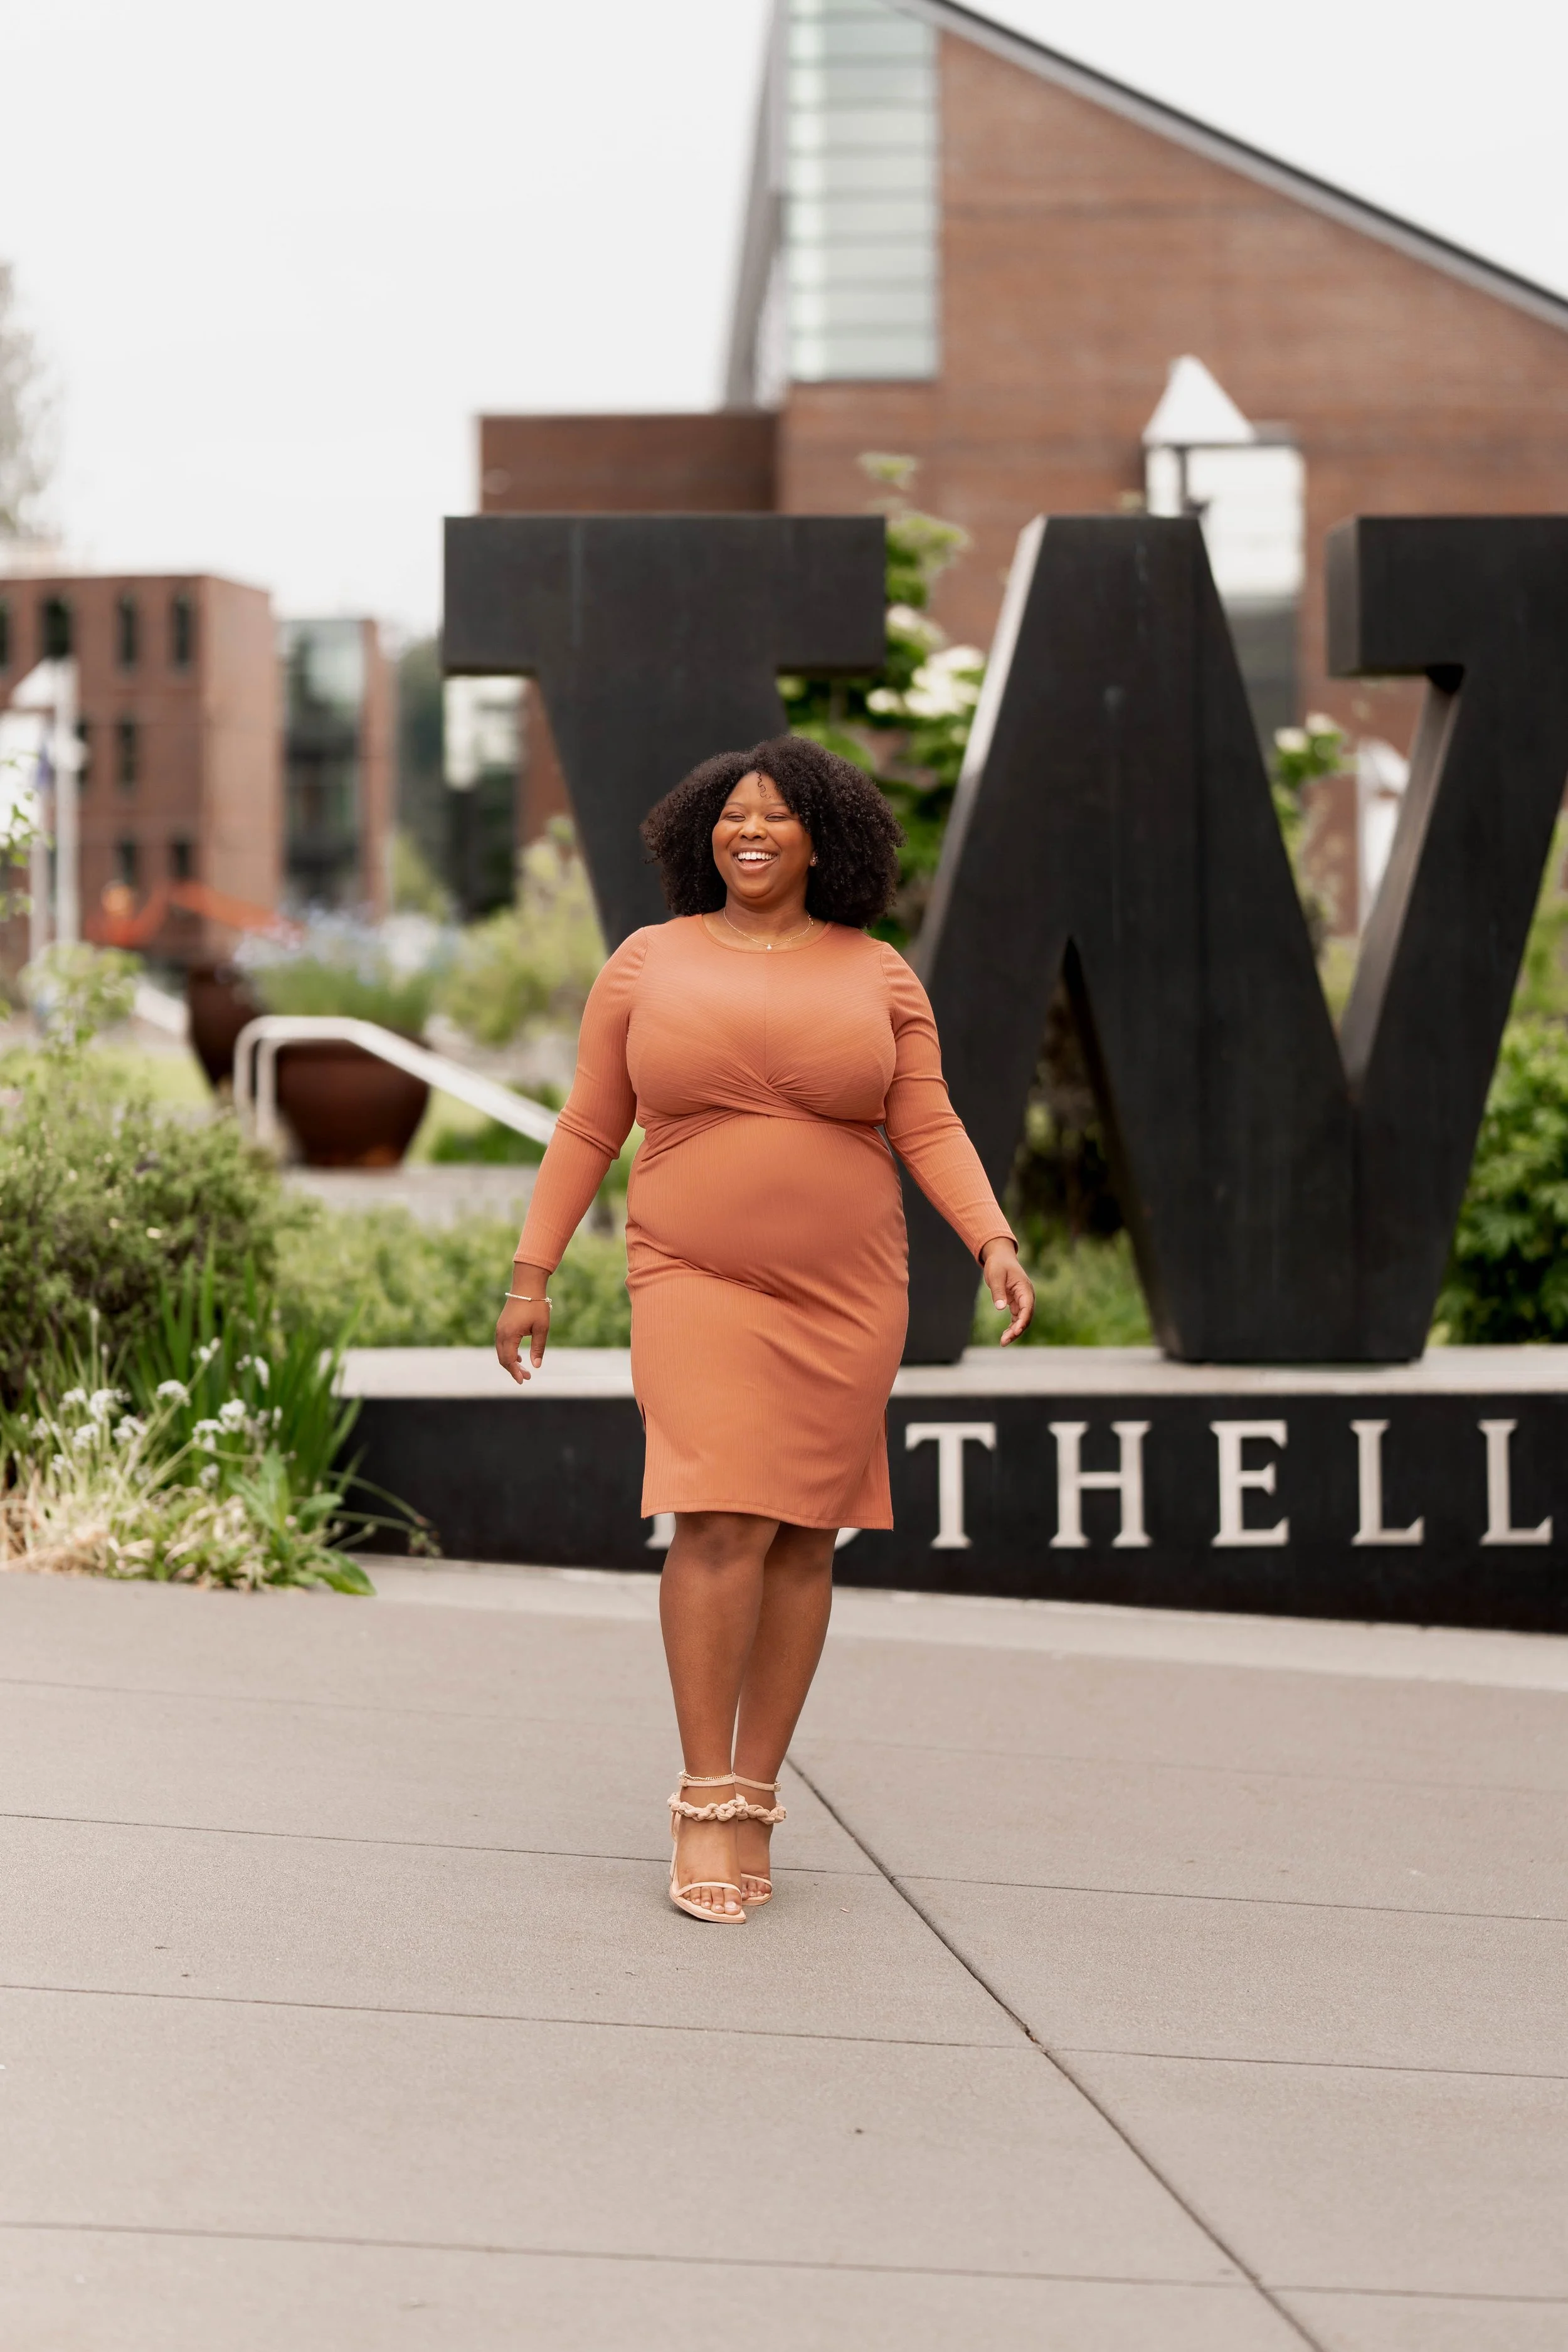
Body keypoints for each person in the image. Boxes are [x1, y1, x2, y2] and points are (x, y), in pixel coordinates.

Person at [496, 737, 1033, 1922]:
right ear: (704, 834)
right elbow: (590, 1125)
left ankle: (754, 1792)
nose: (752, 829)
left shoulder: (879, 973)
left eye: (778, 815)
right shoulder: (647, 963)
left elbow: (928, 1122)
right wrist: (531, 1272)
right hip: (692, 1274)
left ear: (820, 839)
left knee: (805, 1534)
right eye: (733, 814)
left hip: (848, 1290)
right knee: (722, 1511)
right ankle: (699, 1798)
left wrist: (991, 1237)